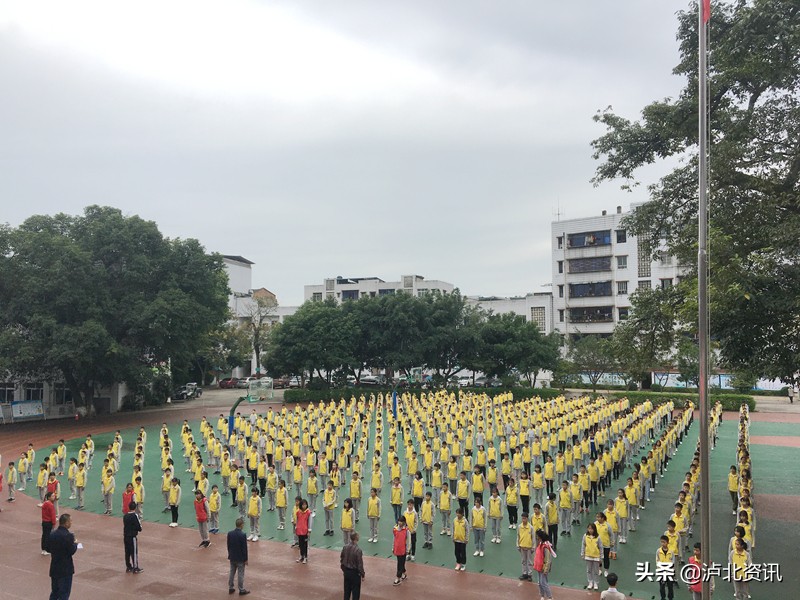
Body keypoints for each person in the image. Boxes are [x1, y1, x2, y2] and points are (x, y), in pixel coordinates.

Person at [49, 513, 77, 600]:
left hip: (54, 568)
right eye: (70, 521)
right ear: (66, 523)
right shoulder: (68, 536)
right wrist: (75, 543)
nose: (71, 523)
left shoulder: (52, 534)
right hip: (65, 570)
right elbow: (71, 550)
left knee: (54, 592)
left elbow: (49, 548)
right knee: (64, 594)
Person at [227, 518, 250, 596]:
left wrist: (230, 554)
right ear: (241, 525)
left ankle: (230, 587)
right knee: (240, 574)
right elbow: (244, 548)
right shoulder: (243, 535)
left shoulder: (230, 533)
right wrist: (246, 559)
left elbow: (228, 545)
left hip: (232, 557)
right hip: (240, 558)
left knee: (232, 572)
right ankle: (241, 589)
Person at [340, 531, 365, 600]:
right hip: (355, 574)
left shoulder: (345, 547)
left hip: (346, 572)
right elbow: (360, 564)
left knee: (346, 592)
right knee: (356, 593)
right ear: (356, 538)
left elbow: (342, 558)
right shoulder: (358, 550)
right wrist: (362, 574)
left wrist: (344, 570)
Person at [533, 529, 555, 600]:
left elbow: (548, 559)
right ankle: (542, 596)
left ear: (540, 537)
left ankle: (550, 597)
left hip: (543, 567)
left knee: (544, 583)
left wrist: (546, 569)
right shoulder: (540, 544)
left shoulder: (545, 547)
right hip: (539, 567)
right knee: (540, 582)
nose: (536, 538)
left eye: (537, 537)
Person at [123, 501, 143, 573]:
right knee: (134, 552)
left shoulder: (125, 516)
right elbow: (139, 527)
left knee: (127, 552)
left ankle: (128, 566)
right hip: (132, 536)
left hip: (125, 536)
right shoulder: (135, 516)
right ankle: (135, 568)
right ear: (135, 508)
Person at [392, 516, 409, 585]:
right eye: (399, 521)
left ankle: (398, 578)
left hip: (403, 550)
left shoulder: (406, 530)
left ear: (404, 522)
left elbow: (408, 541)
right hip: (397, 549)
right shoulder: (395, 529)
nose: (399, 523)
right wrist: (393, 547)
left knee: (400, 563)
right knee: (401, 562)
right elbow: (394, 539)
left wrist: (408, 549)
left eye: (401, 521)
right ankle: (404, 573)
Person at [295, 498, 312, 563]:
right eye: (303, 505)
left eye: (305, 505)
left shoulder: (308, 512)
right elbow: (297, 520)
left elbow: (310, 522)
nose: (304, 506)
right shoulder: (298, 512)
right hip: (299, 531)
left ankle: (305, 557)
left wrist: (309, 530)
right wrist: (296, 528)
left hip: (305, 531)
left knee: (305, 544)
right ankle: (301, 556)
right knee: (300, 544)